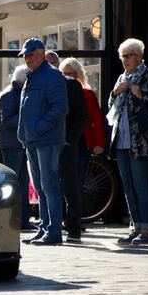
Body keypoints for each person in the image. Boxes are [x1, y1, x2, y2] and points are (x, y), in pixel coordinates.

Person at [107, 38, 148, 246]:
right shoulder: (122, 77)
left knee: (141, 184)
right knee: (128, 186)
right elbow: (112, 106)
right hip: (122, 140)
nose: (125, 60)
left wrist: (141, 95)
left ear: (139, 56)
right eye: (122, 56)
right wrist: (115, 92)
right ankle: (135, 227)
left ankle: (147, 229)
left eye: (129, 55)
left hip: (141, 141)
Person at [17, 38, 68, 246]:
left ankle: (53, 231)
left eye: (31, 54)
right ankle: (45, 227)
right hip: (32, 140)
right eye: (26, 55)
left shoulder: (52, 76)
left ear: (41, 53)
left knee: (49, 185)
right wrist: (25, 133)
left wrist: (37, 129)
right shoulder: (32, 76)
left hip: (46, 139)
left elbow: (60, 108)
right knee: (39, 186)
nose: (27, 58)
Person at [46, 51, 88, 242]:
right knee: (47, 186)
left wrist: (70, 138)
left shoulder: (71, 85)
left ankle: (73, 228)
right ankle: (50, 225)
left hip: (65, 144)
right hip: (45, 143)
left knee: (70, 186)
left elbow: (81, 115)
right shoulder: (40, 85)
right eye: (48, 63)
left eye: (54, 62)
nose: (51, 66)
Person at [59, 58, 106, 197]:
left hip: (82, 140)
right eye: (64, 73)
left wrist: (99, 143)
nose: (67, 75)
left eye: (71, 73)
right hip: (62, 138)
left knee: (78, 177)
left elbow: (96, 119)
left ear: (78, 74)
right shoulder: (58, 92)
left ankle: (74, 214)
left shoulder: (87, 93)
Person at [0, 65, 33, 230]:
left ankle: (23, 221)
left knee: (22, 183)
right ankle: (14, 220)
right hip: (12, 145)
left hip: (19, 144)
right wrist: (27, 113)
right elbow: (6, 121)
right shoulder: (10, 94)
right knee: (14, 184)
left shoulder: (15, 93)